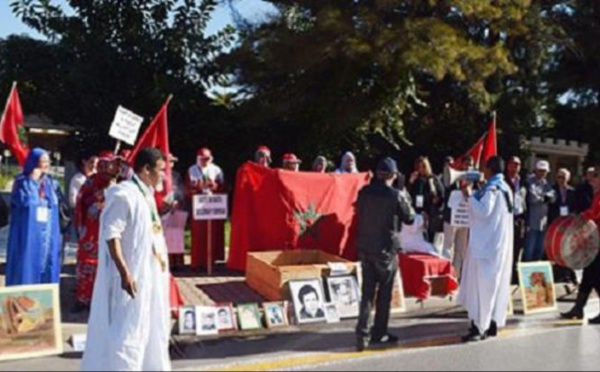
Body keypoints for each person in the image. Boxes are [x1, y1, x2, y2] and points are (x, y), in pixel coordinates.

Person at [81, 148, 171, 371]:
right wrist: (124, 272)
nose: (164, 175)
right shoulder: (124, 194)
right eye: (161, 170)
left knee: (150, 327)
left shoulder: (146, 195)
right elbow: (112, 235)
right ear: (146, 169)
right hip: (131, 278)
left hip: (150, 277)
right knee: (128, 330)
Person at [354, 157, 415, 352]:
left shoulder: (364, 192)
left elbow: (359, 214)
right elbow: (410, 218)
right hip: (386, 250)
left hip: (365, 247)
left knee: (367, 294)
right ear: (392, 175)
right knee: (384, 294)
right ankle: (379, 333)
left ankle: (361, 333)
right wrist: (404, 192)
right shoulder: (395, 195)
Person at [458, 156, 514, 342]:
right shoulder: (506, 188)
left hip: (486, 248)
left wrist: (469, 195)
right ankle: (491, 324)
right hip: (498, 245)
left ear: (490, 169)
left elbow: (483, 212)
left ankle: (478, 327)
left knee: (481, 288)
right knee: (494, 287)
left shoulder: (493, 189)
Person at [72, 151, 121, 313]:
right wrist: (97, 197)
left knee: (109, 264)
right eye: (109, 164)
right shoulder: (91, 182)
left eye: (114, 164)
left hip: (109, 230)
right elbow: (81, 203)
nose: (112, 167)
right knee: (88, 264)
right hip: (92, 231)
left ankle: (105, 300)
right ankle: (84, 298)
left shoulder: (120, 184)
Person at [6, 148, 62, 286]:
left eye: (47, 161)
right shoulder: (22, 182)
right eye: (42, 161)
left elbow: (56, 205)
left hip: (48, 233)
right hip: (28, 233)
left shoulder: (51, 183)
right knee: (26, 266)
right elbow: (26, 203)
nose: (46, 165)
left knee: (48, 266)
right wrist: (32, 180)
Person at [560, 173, 600, 324]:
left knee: (594, 275)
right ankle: (578, 308)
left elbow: (596, 213)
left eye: (595, 178)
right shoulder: (596, 195)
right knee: (589, 276)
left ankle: (578, 308)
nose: (592, 181)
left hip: (598, 241)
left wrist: (583, 215)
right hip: (595, 240)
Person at [186, 148, 226, 270]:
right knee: (199, 236)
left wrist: (215, 187)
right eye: (202, 159)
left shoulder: (216, 170)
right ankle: (198, 263)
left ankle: (212, 261)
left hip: (211, 207)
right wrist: (198, 188)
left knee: (212, 235)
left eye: (207, 159)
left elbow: (223, 186)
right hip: (199, 207)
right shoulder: (192, 170)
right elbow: (188, 189)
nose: (204, 162)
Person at [442, 156, 474, 276]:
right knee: (448, 248)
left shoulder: (474, 181)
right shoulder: (453, 176)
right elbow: (446, 193)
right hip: (451, 218)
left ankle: (456, 275)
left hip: (465, 220)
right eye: (466, 163)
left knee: (461, 249)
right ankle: (445, 275)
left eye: (470, 164)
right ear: (461, 164)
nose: (468, 166)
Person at [523, 160, 555, 262]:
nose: (542, 173)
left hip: (543, 223)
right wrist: (545, 198)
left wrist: (545, 198)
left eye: (544, 171)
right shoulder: (529, 182)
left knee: (539, 250)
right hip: (532, 222)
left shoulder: (546, 183)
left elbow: (553, 197)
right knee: (529, 250)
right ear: (535, 170)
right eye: (540, 170)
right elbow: (532, 198)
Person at [408, 156, 445, 242]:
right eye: (418, 167)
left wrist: (437, 200)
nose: (420, 169)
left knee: (429, 239)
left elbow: (441, 194)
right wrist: (410, 182)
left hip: (430, 212)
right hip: (417, 211)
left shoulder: (433, 179)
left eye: (422, 166)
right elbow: (408, 194)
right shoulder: (415, 179)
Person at [505, 156, 527, 284]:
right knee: (506, 247)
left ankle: (514, 275)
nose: (515, 166)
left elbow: (525, 201)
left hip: (519, 219)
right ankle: (505, 274)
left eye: (518, 164)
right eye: (513, 163)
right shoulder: (503, 180)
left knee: (517, 247)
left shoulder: (523, 182)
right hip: (507, 218)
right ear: (508, 165)